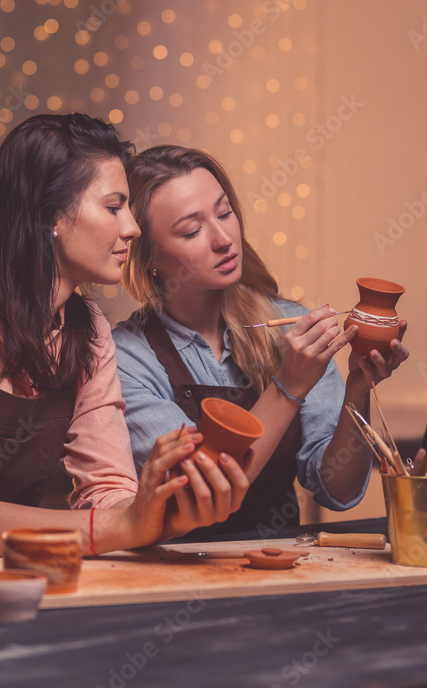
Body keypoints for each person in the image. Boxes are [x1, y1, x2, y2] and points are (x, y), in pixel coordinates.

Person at [0, 116, 248, 568]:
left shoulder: (90, 330)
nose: (133, 228)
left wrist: (164, 512)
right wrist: (126, 525)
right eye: (114, 206)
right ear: (49, 216)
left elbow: (107, 491)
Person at [112, 146, 410, 536]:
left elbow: (337, 490)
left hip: (280, 567)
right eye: (191, 230)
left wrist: (358, 388)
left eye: (224, 213)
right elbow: (203, 491)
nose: (223, 238)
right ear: (147, 255)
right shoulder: (125, 357)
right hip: (179, 572)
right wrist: (288, 387)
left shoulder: (288, 329)